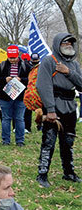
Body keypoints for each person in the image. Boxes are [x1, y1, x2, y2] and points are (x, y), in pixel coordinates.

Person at [36, 34, 82, 188]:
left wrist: (68, 72)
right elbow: (43, 85)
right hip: (53, 106)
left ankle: (69, 172)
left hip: (70, 107)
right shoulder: (49, 61)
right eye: (65, 42)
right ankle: (42, 174)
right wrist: (50, 109)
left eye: (70, 43)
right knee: (48, 142)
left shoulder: (74, 65)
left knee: (68, 142)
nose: (68, 45)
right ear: (58, 44)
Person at [0, 45, 30, 146]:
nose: (12, 60)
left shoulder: (25, 66)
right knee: (6, 118)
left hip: (20, 97)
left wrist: (21, 80)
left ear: (18, 55)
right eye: (10, 57)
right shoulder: (2, 65)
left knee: (19, 118)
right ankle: (6, 140)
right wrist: (4, 79)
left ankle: (20, 140)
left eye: (14, 57)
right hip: (5, 97)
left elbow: (32, 80)